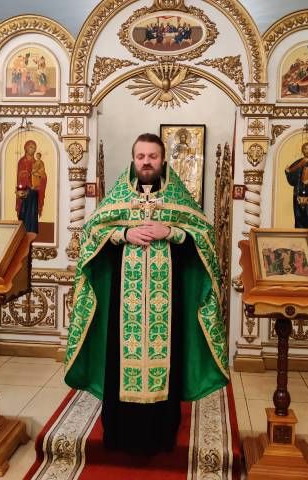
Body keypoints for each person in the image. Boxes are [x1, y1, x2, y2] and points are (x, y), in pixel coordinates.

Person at [64, 133, 228, 456]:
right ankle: (119, 433)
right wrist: (123, 233)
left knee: (167, 363)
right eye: (141, 156)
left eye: (152, 156)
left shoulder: (178, 197)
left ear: (163, 160)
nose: (147, 162)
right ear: (133, 159)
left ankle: (162, 433)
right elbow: (92, 233)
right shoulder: (119, 196)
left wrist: (172, 232)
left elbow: (205, 237)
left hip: (167, 303)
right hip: (122, 303)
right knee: (119, 361)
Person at [15, 140, 46, 234]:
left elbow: (43, 176)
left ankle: (32, 232)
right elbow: (20, 175)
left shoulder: (37, 162)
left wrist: (40, 176)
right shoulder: (22, 161)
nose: (33, 149)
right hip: (25, 192)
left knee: (32, 214)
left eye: (34, 148)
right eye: (31, 147)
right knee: (24, 212)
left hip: (34, 192)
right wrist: (27, 175)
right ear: (26, 148)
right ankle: (23, 232)